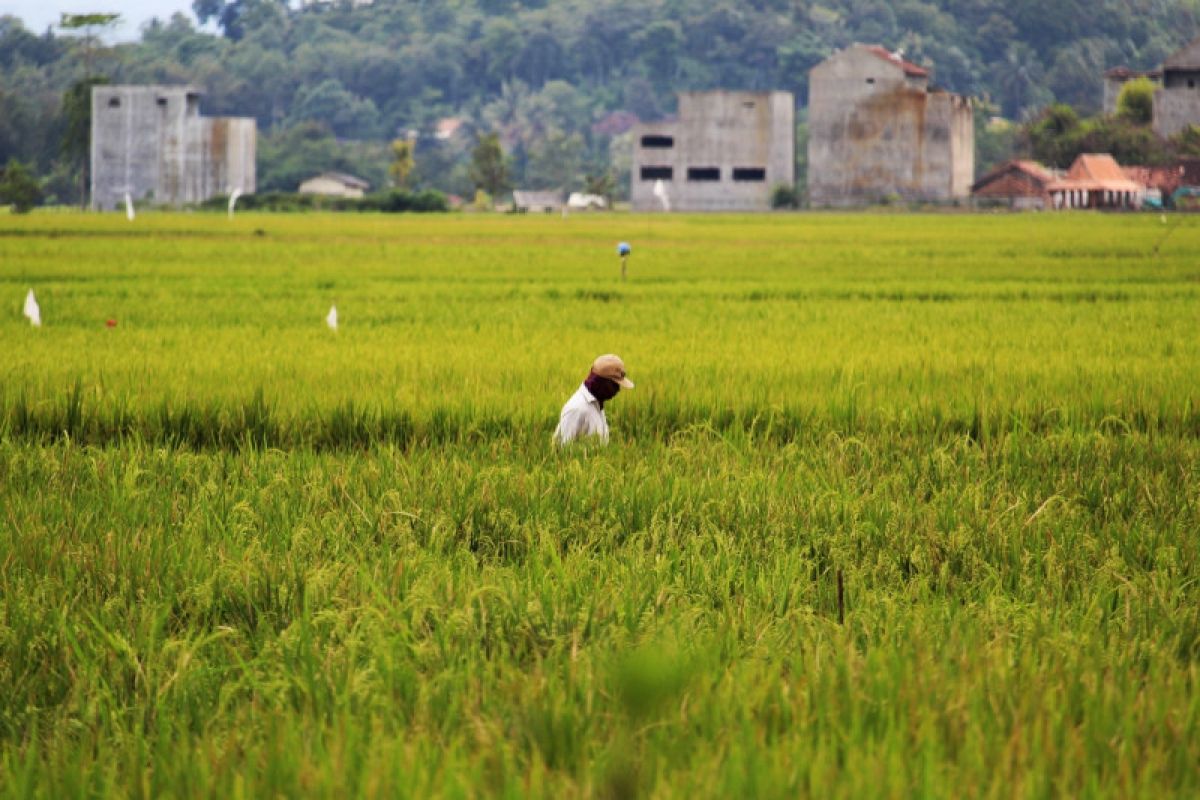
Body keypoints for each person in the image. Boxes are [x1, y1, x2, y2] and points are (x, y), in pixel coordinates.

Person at [554, 354, 634, 445]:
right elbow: (564, 450)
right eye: (615, 385)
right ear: (603, 382)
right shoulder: (577, 409)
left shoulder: (597, 405)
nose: (618, 390)